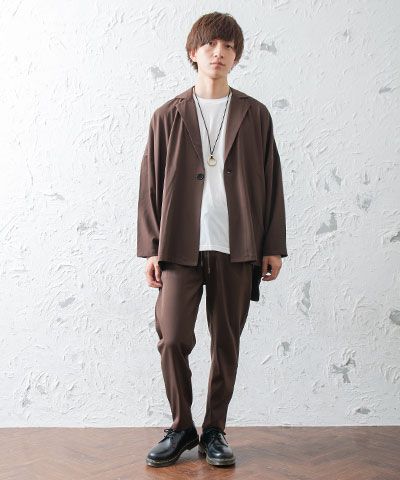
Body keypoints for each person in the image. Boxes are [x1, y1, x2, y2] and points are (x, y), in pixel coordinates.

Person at [137, 11, 288, 468]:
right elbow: (150, 184)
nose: (218, 53)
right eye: (210, 45)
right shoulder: (167, 115)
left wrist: (272, 245)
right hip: (179, 245)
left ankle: (214, 429)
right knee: (172, 337)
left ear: (236, 56)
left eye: (227, 46)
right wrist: (152, 248)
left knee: (226, 342)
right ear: (193, 53)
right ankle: (181, 426)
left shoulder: (254, 114)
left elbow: (272, 180)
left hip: (236, 244)